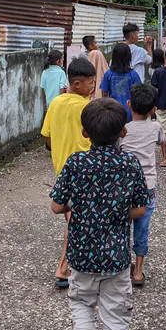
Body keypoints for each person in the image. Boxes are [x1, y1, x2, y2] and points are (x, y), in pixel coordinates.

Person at [50, 97, 149, 330]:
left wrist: (76, 206)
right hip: (116, 258)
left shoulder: (76, 162)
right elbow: (141, 208)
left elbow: (57, 206)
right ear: (123, 132)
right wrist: (117, 212)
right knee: (116, 317)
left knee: (81, 306)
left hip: (81, 256)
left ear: (85, 133)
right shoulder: (130, 164)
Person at [41, 58, 97, 286]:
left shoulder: (55, 103)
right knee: (76, 220)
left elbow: (46, 135)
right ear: (76, 84)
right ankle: (63, 268)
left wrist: (60, 148)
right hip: (86, 170)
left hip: (62, 169)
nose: (93, 87)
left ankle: (77, 260)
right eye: (90, 83)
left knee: (74, 217)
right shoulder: (87, 107)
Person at [119, 84, 166, 286]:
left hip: (124, 185)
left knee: (122, 224)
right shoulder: (155, 127)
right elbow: (161, 140)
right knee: (142, 227)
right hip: (147, 185)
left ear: (129, 105)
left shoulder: (123, 130)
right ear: (153, 110)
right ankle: (138, 271)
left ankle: (121, 266)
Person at [101, 43, 143, 122]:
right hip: (130, 111)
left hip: (113, 110)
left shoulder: (108, 74)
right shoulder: (133, 75)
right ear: (128, 57)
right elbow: (138, 93)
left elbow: (104, 94)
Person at [84, 35, 109, 100]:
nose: (97, 45)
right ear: (91, 46)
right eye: (95, 43)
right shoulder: (96, 53)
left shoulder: (85, 55)